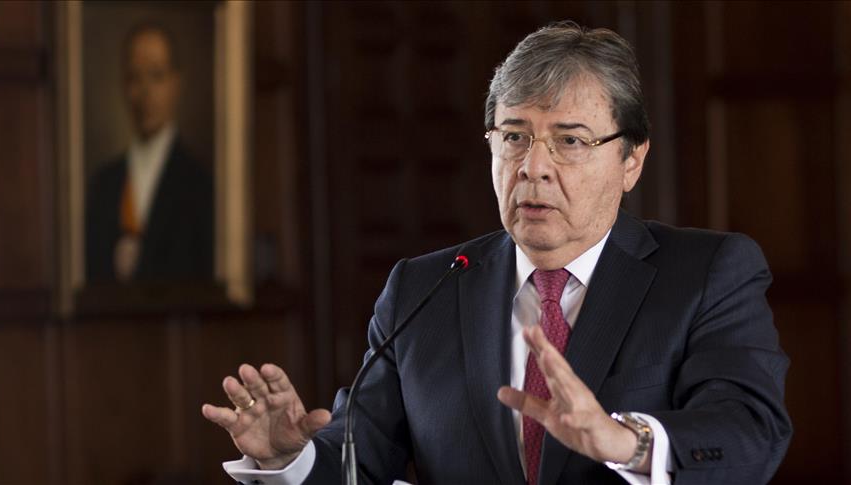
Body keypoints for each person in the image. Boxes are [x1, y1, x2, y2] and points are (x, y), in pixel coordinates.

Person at [202, 21, 791, 484]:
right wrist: (290, 458)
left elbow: (751, 433)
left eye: (569, 141)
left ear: (631, 160)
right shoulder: (423, 289)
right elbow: (362, 460)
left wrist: (626, 441)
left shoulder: (706, 275)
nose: (533, 167)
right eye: (513, 137)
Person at [86, 23, 213, 283]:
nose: (145, 93)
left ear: (176, 84)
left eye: (156, 76)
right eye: (135, 78)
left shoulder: (201, 183)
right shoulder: (104, 183)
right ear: (124, 87)